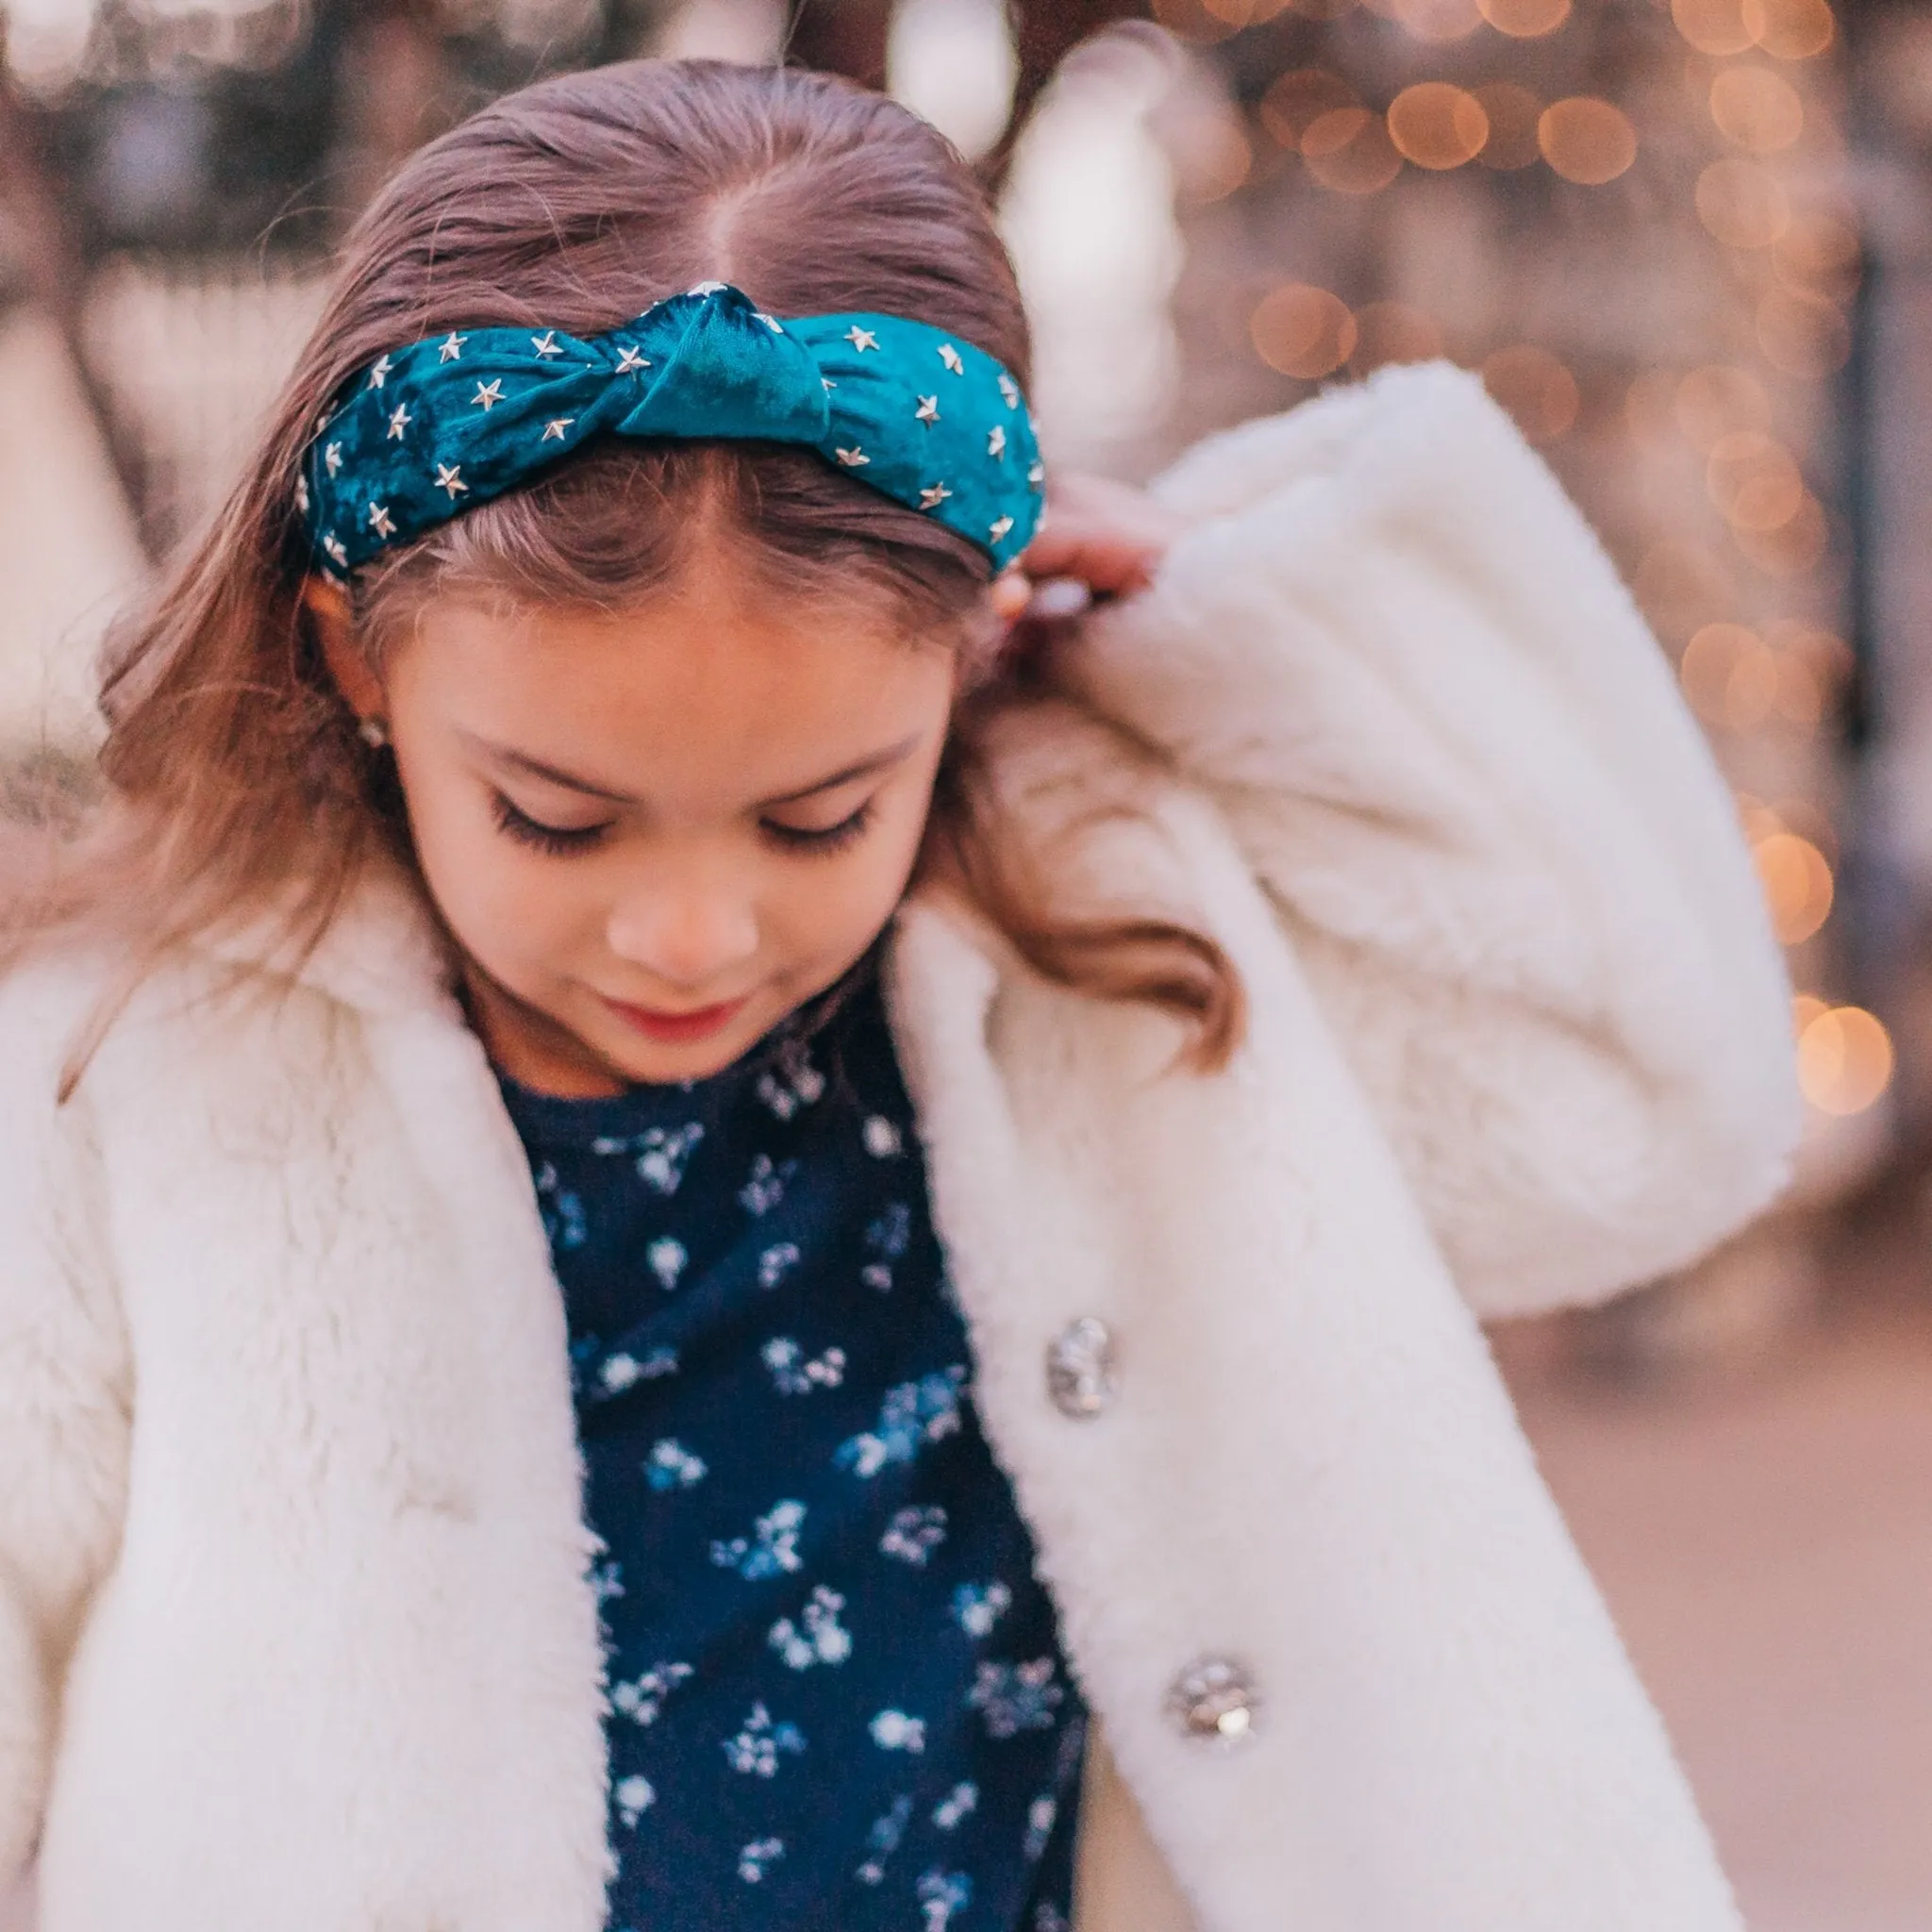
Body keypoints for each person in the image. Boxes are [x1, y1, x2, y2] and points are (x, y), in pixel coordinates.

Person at [0, 56, 1797, 1932]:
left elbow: (1646, 1113)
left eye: (814, 815)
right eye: (557, 818)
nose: (690, 934)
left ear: (968, 655)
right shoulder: (117, 1079)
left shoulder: (1110, 959)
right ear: (353, 658)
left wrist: (1260, 627)